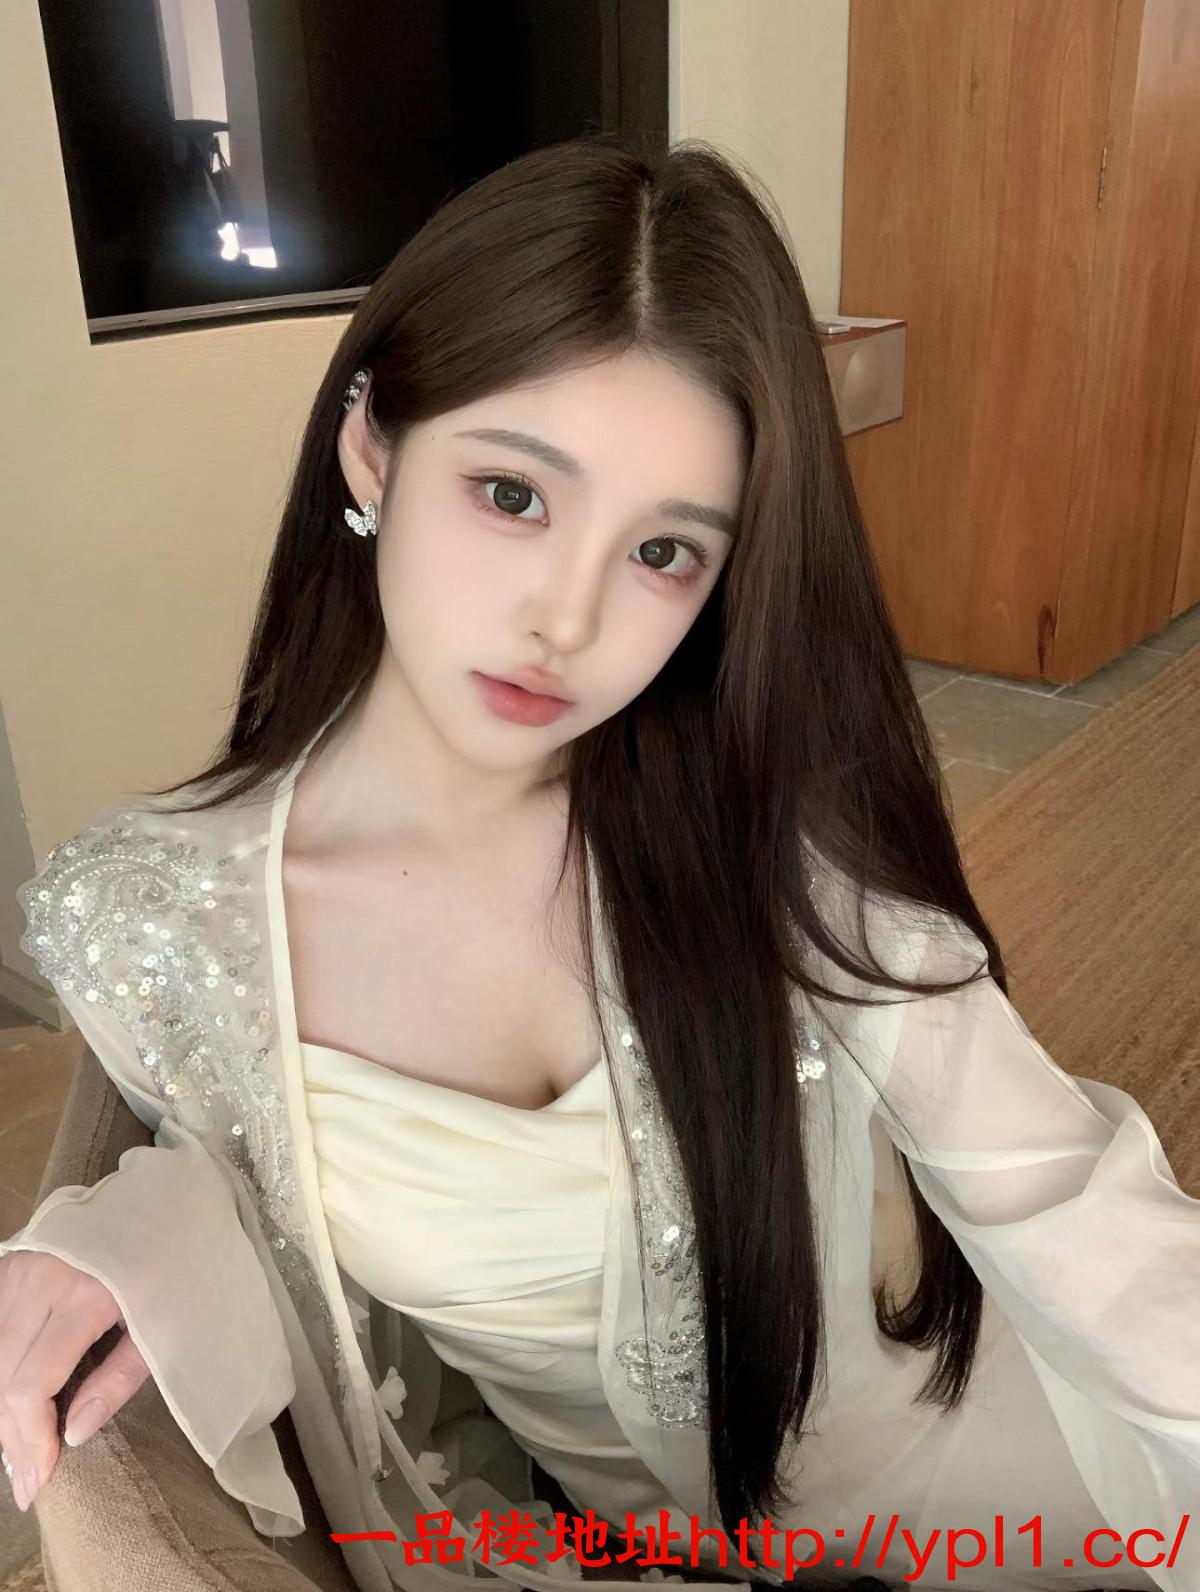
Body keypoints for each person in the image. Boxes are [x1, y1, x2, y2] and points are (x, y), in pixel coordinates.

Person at [0, 136, 1196, 1592]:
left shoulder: (763, 817)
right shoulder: (157, 920)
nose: (566, 621)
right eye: (514, 494)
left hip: (995, 1474)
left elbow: (1062, 1189)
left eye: (665, 553)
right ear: (371, 444)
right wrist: (145, 1232)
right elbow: (260, 1177)